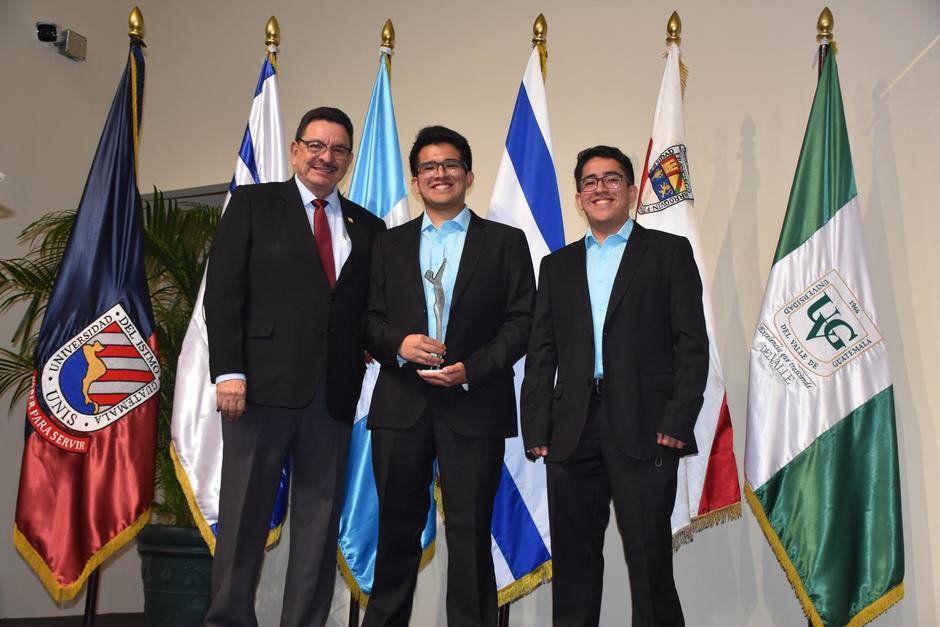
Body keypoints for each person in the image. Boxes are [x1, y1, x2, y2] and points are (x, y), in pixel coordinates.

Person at [203, 107, 385, 627]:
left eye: (338, 150)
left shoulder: (366, 227)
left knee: (320, 523)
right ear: (295, 150)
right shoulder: (255, 204)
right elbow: (224, 291)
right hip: (258, 390)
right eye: (316, 146)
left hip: (333, 396)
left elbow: (368, 309)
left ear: (349, 158)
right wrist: (229, 371)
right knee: (243, 520)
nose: (327, 157)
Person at [520, 146, 708, 626]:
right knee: (575, 567)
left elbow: (691, 343)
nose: (600, 188)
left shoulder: (668, 252)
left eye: (611, 179)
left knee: (648, 565)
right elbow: (541, 353)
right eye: (590, 181)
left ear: (630, 189)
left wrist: (678, 419)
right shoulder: (556, 266)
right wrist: (537, 424)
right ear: (578, 196)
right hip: (571, 430)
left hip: (647, 428)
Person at [361, 126, 535, 627]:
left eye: (451, 165)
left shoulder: (505, 243)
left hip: (474, 406)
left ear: (469, 176)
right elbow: (367, 319)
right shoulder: (387, 245)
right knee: (395, 533)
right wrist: (399, 344)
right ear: (416, 180)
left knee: (469, 534)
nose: (441, 174)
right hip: (400, 407)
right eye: (430, 167)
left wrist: (472, 369)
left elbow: (522, 320)